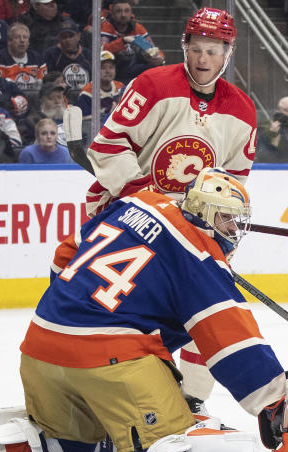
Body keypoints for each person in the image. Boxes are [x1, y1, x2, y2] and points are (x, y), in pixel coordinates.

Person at [13, 167, 288, 452]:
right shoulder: (200, 257)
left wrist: (71, 310)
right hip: (108, 362)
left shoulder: (137, 202)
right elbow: (231, 338)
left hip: (39, 350)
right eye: (226, 218)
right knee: (175, 436)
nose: (233, 229)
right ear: (204, 211)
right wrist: (273, 403)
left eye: (237, 220)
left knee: (69, 449)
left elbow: (65, 255)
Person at [85, 7, 257, 411]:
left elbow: (232, 184)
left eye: (213, 51)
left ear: (227, 54)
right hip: (131, 216)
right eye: (196, 49)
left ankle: (192, 399)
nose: (203, 59)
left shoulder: (242, 110)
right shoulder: (154, 84)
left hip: (192, 229)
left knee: (208, 309)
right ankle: (102, 385)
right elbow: (109, 146)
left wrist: (218, 223)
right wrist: (150, 200)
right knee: (114, 308)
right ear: (185, 47)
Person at [99, 0, 165, 83]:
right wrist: (123, 41)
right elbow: (101, 51)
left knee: (157, 68)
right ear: (113, 14)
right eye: (119, 11)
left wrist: (159, 57)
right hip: (114, 70)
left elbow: (152, 48)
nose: (123, 15)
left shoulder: (138, 28)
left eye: (126, 11)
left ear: (131, 13)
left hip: (133, 68)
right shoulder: (106, 27)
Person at [77, 50, 124, 133]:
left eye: (111, 67)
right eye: (103, 67)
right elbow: (85, 122)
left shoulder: (120, 87)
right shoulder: (87, 92)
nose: (108, 71)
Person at [0, 22, 46, 95]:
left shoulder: (37, 58)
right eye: (17, 37)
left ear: (28, 42)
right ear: (9, 41)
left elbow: (43, 86)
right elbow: (1, 87)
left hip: (34, 100)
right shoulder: (0, 58)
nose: (22, 41)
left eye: (25, 37)